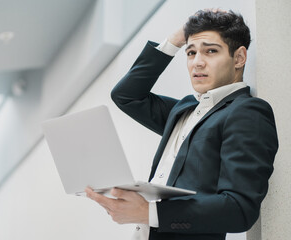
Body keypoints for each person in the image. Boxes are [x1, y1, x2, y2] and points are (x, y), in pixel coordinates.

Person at [85, 9, 278, 240]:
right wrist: (177, 38)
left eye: (210, 51)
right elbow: (126, 96)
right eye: (191, 52)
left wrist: (149, 212)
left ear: (239, 58)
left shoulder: (247, 112)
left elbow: (239, 209)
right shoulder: (184, 109)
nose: (197, 63)